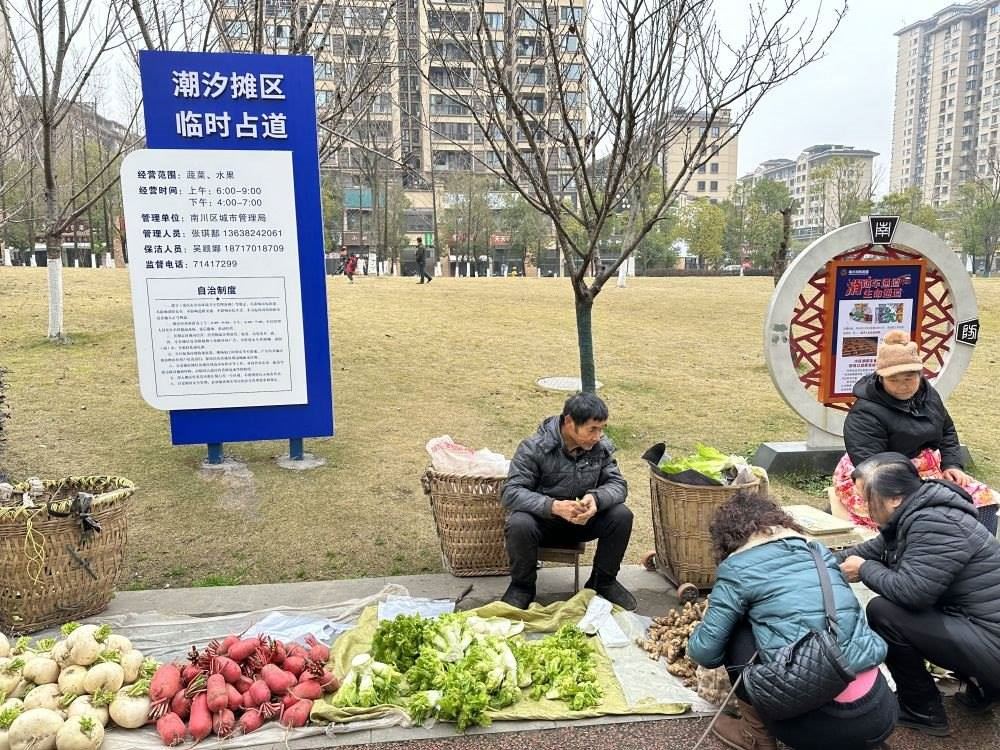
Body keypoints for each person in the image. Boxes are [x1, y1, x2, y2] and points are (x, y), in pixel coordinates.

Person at [687, 491, 896, 750]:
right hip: (881, 712)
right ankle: (857, 739)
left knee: (735, 630)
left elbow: (705, 653)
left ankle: (756, 735)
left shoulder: (737, 568)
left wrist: (702, 628)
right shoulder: (817, 551)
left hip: (821, 726)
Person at [838, 459, 1000, 737]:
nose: (864, 506)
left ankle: (922, 709)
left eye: (867, 498)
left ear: (895, 498)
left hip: (991, 641)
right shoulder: (915, 513)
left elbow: (912, 593)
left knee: (884, 612)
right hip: (979, 627)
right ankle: (985, 686)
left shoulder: (936, 522)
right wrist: (811, 562)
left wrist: (864, 570)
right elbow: (865, 551)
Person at [833, 330, 998, 532]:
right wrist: (920, 488)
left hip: (927, 470)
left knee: (983, 498)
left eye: (909, 378)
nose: (903, 386)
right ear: (880, 378)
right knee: (924, 513)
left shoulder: (928, 396)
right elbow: (871, 463)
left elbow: (946, 430)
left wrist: (952, 464)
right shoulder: (865, 412)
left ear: (920, 375)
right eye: (894, 380)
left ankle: (980, 550)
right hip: (879, 476)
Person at [500, 393, 635, 611]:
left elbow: (618, 484)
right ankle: (521, 587)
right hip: (543, 524)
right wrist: (553, 506)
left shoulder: (600, 448)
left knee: (621, 515)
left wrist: (595, 499)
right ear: (570, 422)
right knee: (519, 523)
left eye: (602, 429)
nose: (598, 437)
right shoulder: (534, 447)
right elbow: (511, 492)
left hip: (583, 523)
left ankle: (603, 582)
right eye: (592, 429)